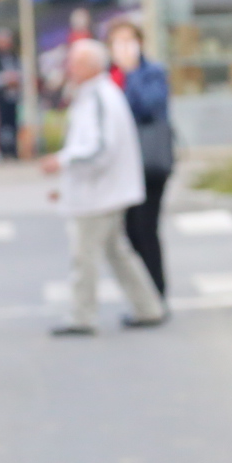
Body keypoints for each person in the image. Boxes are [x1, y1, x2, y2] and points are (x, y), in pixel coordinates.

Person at [41, 39, 165, 337]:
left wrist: (63, 162)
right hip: (102, 191)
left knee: (84, 257)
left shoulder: (98, 98)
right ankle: (148, 307)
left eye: (74, 62)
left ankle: (82, 317)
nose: (68, 67)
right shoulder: (96, 95)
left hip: (98, 194)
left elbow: (98, 148)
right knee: (117, 252)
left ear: (90, 66)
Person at [106, 19, 175, 296]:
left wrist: (131, 73)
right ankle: (142, 296)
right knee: (130, 233)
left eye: (128, 41)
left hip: (148, 164)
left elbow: (149, 107)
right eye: (117, 42)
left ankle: (156, 293)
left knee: (146, 229)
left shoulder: (151, 72)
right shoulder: (107, 76)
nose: (123, 48)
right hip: (119, 166)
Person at [0, 28, 22, 161]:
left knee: (13, 123)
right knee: (1, 123)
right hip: (0, 95)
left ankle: (13, 151)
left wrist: (15, 78)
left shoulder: (15, 56)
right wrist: (5, 79)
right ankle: (2, 151)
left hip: (13, 95)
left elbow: (22, 73)